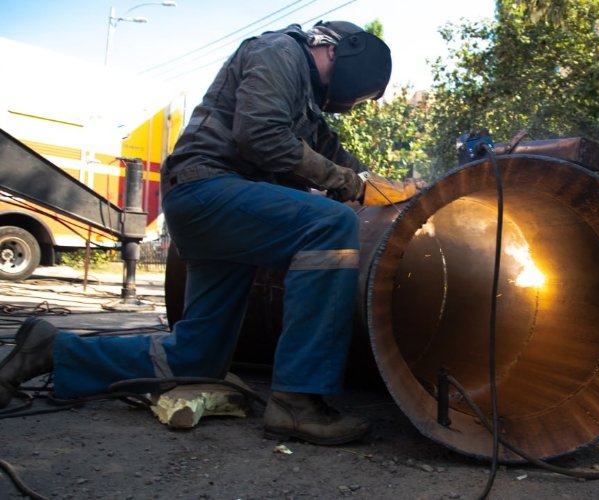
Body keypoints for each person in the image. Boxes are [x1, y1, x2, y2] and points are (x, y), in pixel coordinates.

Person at [0, 21, 420, 445]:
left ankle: (51, 349)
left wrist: (387, 187)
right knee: (331, 225)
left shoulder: (305, 95)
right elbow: (261, 135)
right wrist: (348, 186)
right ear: (338, 50)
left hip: (222, 209)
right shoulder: (281, 52)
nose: (344, 102)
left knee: (197, 358)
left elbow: (335, 155)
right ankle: (297, 399)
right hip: (207, 191)